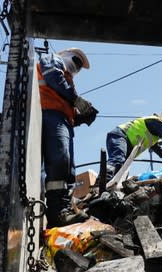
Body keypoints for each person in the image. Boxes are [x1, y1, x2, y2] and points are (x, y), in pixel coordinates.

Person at [38, 48, 98, 228]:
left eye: (80, 66)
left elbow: (67, 109)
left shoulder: (68, 83)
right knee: (59, 161)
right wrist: (76, 99)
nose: (77, 67)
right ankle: (57, 212)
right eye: (76, 61)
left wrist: (83, 117)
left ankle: (64, 207)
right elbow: (52, 77)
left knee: (67, 168)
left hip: (62, 121)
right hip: (49, 115)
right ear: (65, 55)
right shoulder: (52, 60)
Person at [105, 113, 162, 181]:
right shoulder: (157, 121)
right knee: (117, 159)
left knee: (122, 168)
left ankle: (111, 183)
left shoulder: (153, 134)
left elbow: (157, 149)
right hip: (121, 136)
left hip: (124, 140)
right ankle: (103, 180)